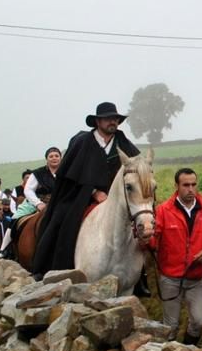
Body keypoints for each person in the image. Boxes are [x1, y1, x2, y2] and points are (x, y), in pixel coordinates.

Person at [32, 103, 141, 275]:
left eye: (115, 118)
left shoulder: (122, 142)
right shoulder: (81, 141)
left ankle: (139, 276)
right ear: (98, 121)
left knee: (139, 223)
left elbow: (137, 165)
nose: (113, 121)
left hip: (117, 197)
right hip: (80, 195)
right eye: (108, 118)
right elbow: (69, 172)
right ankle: (51, 269)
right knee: (61, 219)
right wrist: (95, 192)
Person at [147, 168, 202, 345]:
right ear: (176, 186)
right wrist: (144, 236)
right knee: (171, 326)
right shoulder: (163, 211)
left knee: (199, 322)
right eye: (186, 185)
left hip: (197, 278)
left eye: (193, 185)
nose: (190, 189)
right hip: (170, 278)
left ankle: (188, 350)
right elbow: (152, 242)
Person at [25, 148, 62, 214]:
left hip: (62, 205)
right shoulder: (38, 173)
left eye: (57, 156)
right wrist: (38, 203)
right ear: (47, 159)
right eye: (51, 156)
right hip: (41, 206)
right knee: (16, 219)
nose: (54, 158)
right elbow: (28, 190)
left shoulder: (67, 172)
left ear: (60, 158)